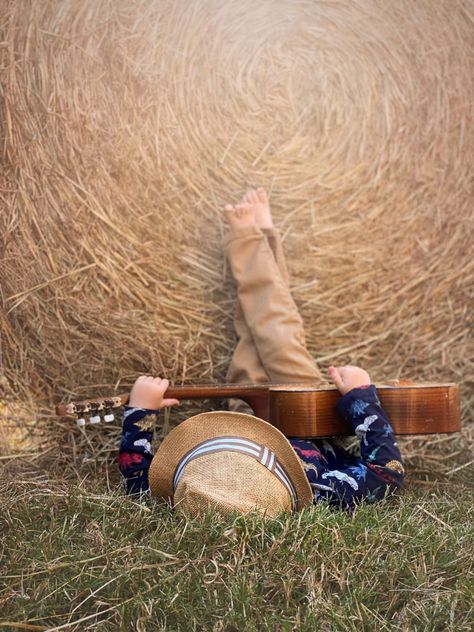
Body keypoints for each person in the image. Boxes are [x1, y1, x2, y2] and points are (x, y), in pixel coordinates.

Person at [118, 189, 404, 512]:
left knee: (251, 339)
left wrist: (139, 411)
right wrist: (360, 396)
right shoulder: (320, 490)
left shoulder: (196, 496)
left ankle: (258, 241)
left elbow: (138, 478)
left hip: (239, 420)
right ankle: (255, 240)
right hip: (306, 417)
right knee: (279, 335)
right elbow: (387, 474)